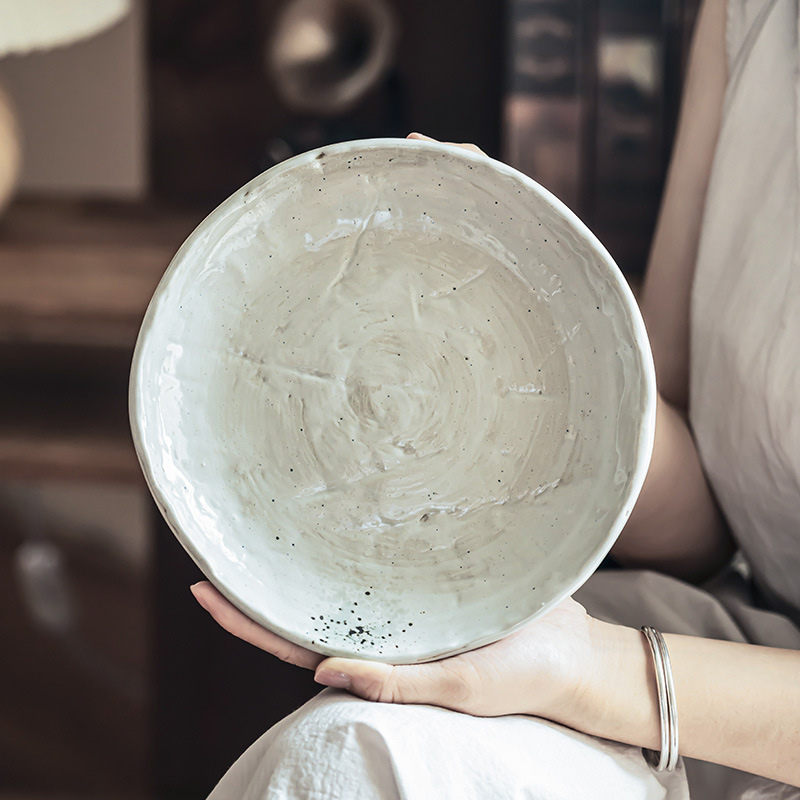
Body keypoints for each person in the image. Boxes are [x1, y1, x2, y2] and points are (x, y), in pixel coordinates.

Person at [190, 0, 800, 796]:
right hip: (732, 635)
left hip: (713, 698)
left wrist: (589, 670)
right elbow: (701, 535)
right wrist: (563, 352)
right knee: (356, 753)